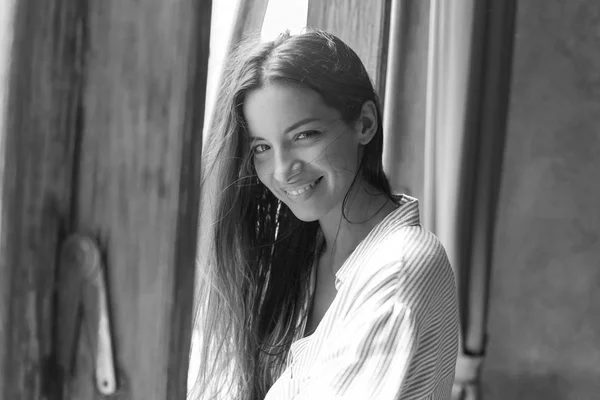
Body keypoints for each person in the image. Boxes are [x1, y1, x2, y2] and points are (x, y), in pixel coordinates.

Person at [191, 28, 459, 400]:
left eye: (304, 135)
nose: (283, 170)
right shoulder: (296, 261)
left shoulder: (400, 268)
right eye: (263, 147)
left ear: (364, 124)